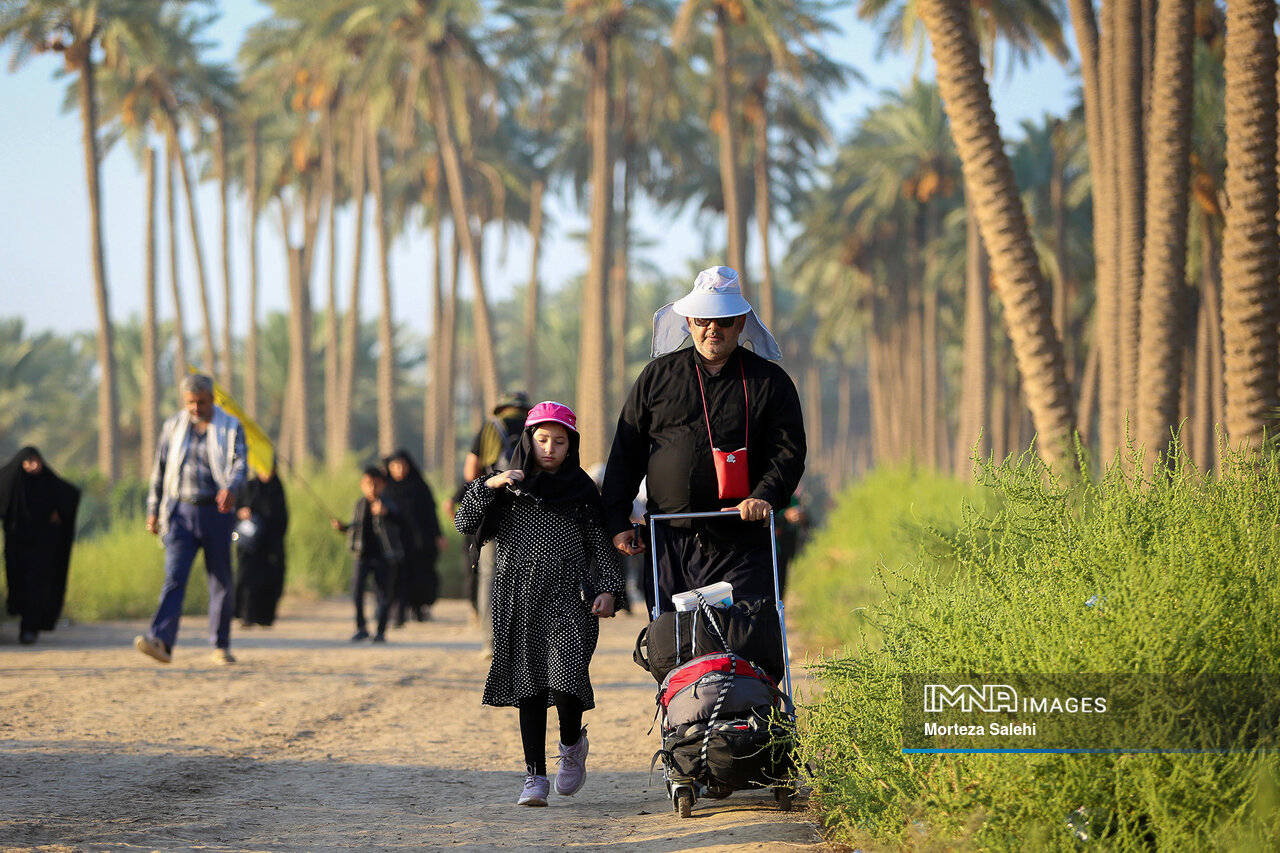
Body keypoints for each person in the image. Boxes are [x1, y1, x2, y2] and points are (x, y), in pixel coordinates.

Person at [602, 265, 806, 616]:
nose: (713, 329)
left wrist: (764, 495)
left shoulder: (770, 382)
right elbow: (627, 451)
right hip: (668, 538)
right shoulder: (657, 377)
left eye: (723, 321)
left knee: (743, 637)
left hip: (742, 541)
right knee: (672, 641)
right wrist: (618, 521)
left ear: (741, 322)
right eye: (703, 320)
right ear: (689, 322)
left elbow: (788, 451)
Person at [453, 401, 625, 807]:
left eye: (559, 441)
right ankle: (534, 776)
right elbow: (464, 523)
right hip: (517, 597)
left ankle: (571, 744)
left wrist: (610, 591)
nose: (549, 448)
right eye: (542, 439)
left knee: (566, 679)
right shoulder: (508, 487)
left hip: (569, 597)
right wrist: (489, 484)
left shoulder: (583, 492)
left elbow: (600, 545)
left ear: (571, 445)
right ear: (528, 440)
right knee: (529, 686)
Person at [136, 374, 248, 665]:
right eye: (190, 402)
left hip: (217, 513)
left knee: (221, 580)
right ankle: (161, 641)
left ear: (212, 399)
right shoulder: (173, 427)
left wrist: (230, 488)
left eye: (201, 402)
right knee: (174, 577)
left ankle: (220, 645)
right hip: (180, 513)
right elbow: (159, 471)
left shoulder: (230, 426)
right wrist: (153, 509)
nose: (196, 408)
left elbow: (239, 464)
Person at [462, 390, 532, 658]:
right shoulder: (536, 426)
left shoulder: (490, 429)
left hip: (496, 509)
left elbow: (471, 472)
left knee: (490, 575)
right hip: (530, 510)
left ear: (501, 408)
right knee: (529, 574)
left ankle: (490, 642)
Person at [0, 447, 80, 645]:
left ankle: (29, 629)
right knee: (18, 584)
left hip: (42, 547)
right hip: (16, 546)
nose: (34, 466)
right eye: (29, 461)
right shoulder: (12, 484)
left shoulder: (48, 483)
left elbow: (70, 495)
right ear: (21, 463)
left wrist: (58, 512)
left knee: (37, 586)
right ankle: (22, 620)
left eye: (37, 461)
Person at [331, 467, 403, 643]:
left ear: (383, 485)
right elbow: (355, 528)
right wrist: (343, 528)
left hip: (384, 556)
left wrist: (386, 513)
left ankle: (380, 631)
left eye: (376, 484)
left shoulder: (389, 503)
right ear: (362, 485)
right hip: (362, 555)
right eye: (368, 484)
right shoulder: (359, 504)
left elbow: (401, 522)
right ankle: (361, 628)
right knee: (357, 590)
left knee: (383, 594)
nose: (372, 488)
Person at [382, 449, 444, 624]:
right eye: (395, 466)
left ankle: (419, 608)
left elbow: (431, 513)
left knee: (421, 575)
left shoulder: (420, 486)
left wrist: (438, 535)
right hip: (395, 541)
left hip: (419, 540)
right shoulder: (386, 489)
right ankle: (397, 610)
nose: (399, 469)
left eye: (402, 465)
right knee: (396, 576)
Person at [233, 463, 289, 627]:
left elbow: (282, 518)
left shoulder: (277, 490)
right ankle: (245, 615)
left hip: (271, 545)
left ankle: (265, 617)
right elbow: (236, 508)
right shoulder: (249, 487)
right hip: (249, 546)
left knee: (271, 578)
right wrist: (242, 512)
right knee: (246, 578)